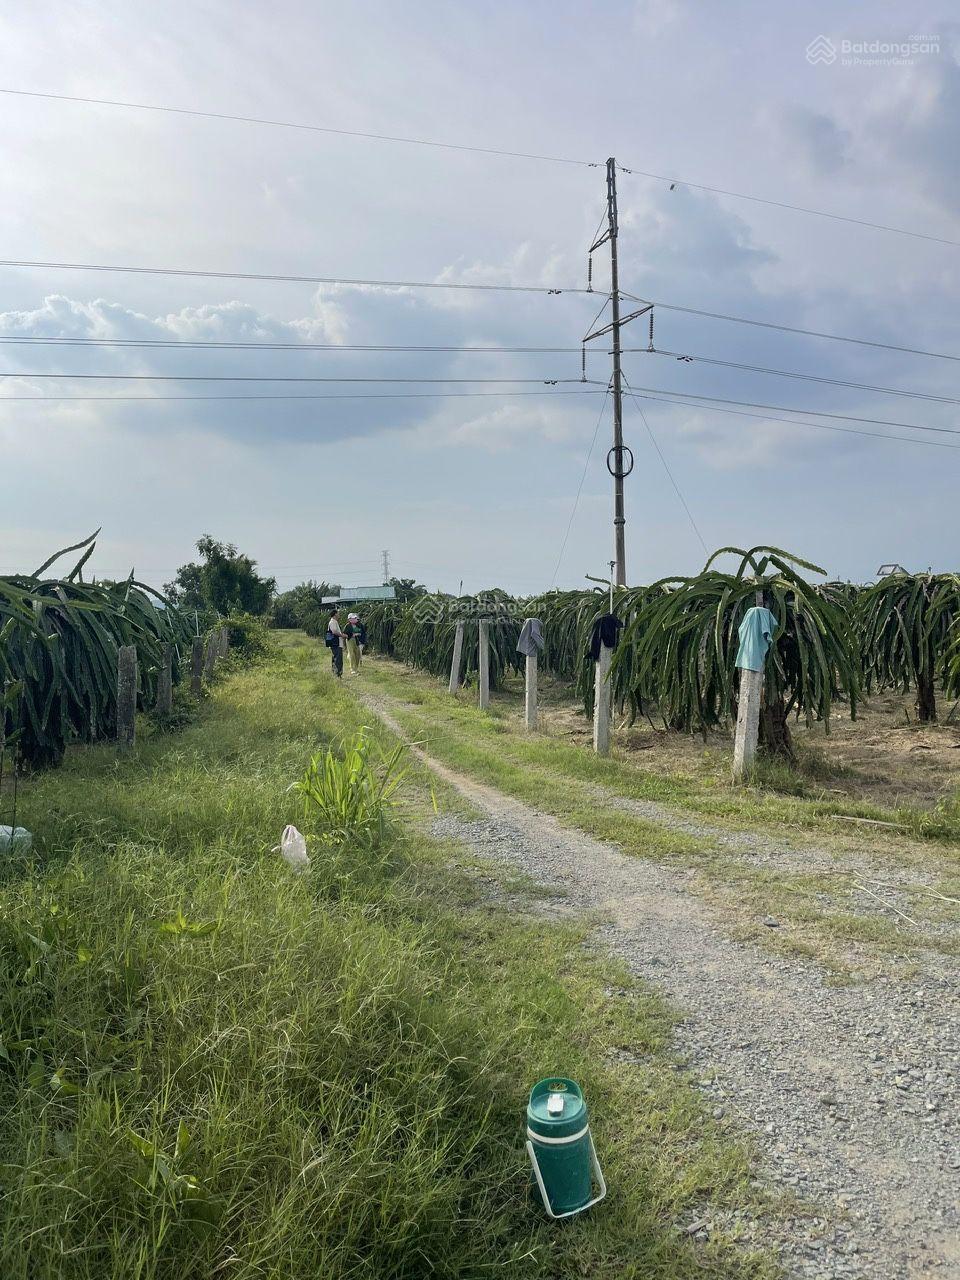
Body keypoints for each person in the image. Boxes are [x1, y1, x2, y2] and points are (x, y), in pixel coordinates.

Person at [326, 607, 345, 678]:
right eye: (338, 613)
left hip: (335, 643)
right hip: (336, 643)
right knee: (338, 659)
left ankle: (335, 673)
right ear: (335, 614)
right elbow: (334, 631)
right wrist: (342, 635)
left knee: (335, 658)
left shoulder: (334, 622)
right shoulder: (333, 622)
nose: (339, 614)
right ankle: (337, 674)